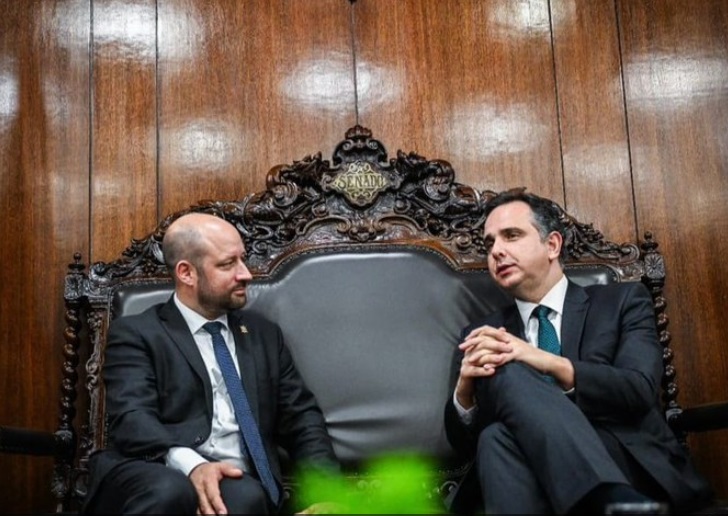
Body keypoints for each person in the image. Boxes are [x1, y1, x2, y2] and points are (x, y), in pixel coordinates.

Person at [444, 189, 713, 515]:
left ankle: (610, 492)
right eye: (489, 244)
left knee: (504, 387)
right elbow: (463, 445)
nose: (497, 251)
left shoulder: (622, 302)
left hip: (623, 460)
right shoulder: (481, 334)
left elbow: (638, 389)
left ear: (552, 245)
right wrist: (464, 394)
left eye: (511, 235)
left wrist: (544, 360)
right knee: (495, 434)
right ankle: (610, 500)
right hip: (521, 475)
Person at [83, 212, 339, 515]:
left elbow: (301, 419)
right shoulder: (138, 333)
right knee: (171, 490)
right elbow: (132, 418)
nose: (245, 274)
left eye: (242, 259)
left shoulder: (264, 336)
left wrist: (326, 494)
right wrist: (194, 465)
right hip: (155, 467)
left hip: (239, 483)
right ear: (186, 273)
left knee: (244, 497)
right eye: (228, 264)